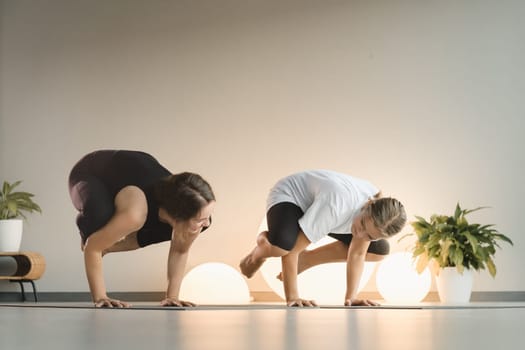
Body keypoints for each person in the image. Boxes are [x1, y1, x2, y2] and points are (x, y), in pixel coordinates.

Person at [68, 150, 215, 308]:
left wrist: (172, 297)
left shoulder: (191, 215)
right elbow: (92, 249)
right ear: (177, 216)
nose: (206, 223)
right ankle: (90, 227)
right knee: (102, 218)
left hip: (139, 167)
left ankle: (107, 241)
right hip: (92, 172)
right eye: (201, 219)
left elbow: (180, 250)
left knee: (187, 228)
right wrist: (100, 297)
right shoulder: (135, 212)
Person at [240, 169, 406, 307]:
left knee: (379, 250)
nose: (359, 235)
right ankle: (263, 246)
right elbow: (290, 253)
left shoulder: (372, 214)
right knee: (283, 247)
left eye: (369, 235)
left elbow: (357, 254)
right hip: (291, 196)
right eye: (362, 224)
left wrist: (351, 298)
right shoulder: (336, 206)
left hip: (323, 208)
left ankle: (305, 259)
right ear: (367, 206)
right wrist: (293, 298)